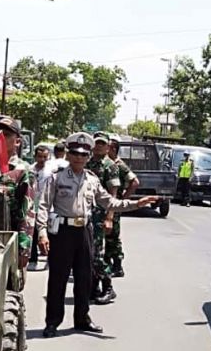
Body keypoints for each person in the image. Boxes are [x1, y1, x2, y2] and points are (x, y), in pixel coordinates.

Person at [36, 132, 157, 337]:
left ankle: (82, 319)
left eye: (83, 154)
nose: (79, 158)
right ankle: (52, 322)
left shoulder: (92, 180)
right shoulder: (56, 178)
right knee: (58, 278)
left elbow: (110, 202)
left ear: (88, 156)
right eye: (74, 153)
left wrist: (137, 203)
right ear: (68, 154)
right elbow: (43, 205)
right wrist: (41, 232)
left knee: (85, 278)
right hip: (62, 232)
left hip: (84, 231)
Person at [0, 117, 36, 270]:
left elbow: (27, 211)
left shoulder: (23, 171)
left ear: (17, 141)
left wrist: (24, 247)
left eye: (7, 134)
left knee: (7, 287)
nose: (0, 137)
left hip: (10, 238)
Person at [86, 131, 121, 304]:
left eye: (102, 143)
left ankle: (108, 287)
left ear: (108, 146)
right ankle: (93, 288)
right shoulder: (88, 162)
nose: (99, 146)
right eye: (96, 143)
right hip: (86, 215)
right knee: (88, 254)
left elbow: (113, 194)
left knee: (97, 255)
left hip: (101, 216)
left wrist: (109, 218)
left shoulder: (110, 166)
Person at [106, 135, 139, 277]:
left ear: (112, 149)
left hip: (114, 205)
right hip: (107, 204)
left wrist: (123, 199)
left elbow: (135, 182)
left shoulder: (119, 165)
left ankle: (117, 265)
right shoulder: (107, 164)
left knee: (113, 236)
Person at [28, 145, 54, 270]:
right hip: (33, 204)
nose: (42, 159)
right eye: (40, 156)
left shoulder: (51, 170)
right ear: (35, 156)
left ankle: (50, 258)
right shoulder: (30, 169)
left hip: (48, 205)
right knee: (33, 232)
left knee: (49, 232)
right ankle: (33, 259)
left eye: (45, 157)